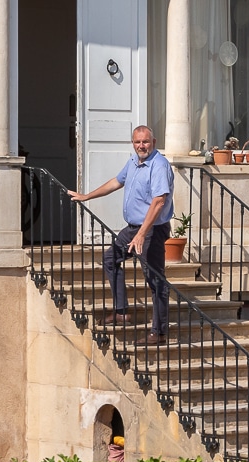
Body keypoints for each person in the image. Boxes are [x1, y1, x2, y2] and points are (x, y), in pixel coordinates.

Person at [72, 125, 174, 345]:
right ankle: (121, 313)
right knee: (110, 259)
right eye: (137, 142)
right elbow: (116, 182)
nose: (141, 146)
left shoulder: (158, 166)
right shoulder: (134, 162)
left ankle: (159, 332)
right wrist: (87, 196)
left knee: (155, 280)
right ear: (133, 143)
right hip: (133, 228)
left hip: (152, 230)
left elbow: (159, 202)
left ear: (153, 142)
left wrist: (142, 234)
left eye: (145, 142)